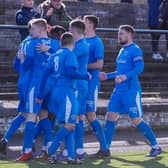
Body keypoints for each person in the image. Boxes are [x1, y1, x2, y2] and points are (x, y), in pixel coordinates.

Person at [100, 25, 162, 157]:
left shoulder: (135, 50)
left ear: (129, 34)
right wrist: (108, 76)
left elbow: (140, 67)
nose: (119, 36)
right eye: (118, 33)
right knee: (110, 116)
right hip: (118, 91)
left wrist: (125, 77)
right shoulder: (122, 50)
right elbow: (120, 72)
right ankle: (105, 149)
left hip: (130, 91)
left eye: (121, 33)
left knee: (136, 120)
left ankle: (156, 146)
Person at [36, 32, 91, 164]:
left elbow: (44, 76)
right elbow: (69, 72)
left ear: (60, 43)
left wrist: (40, 95)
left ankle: (71, 156)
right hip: (66, 92)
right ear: (72, 44)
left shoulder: (55, 55)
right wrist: (84, 76)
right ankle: (51, 151)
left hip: (55, 92)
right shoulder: (69, 54)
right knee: (71, 124)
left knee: (66, 125)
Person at [15, 18, 58, 161]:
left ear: (41, 29)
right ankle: (48, 148)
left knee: (31, 116)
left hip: (36, 85)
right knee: (44, 115)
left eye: (32, 29)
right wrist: (51, 50)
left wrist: (22, 60)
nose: (30, 32)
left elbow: (25, 66)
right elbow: (64, 55)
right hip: (50, 85)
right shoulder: (55, 44)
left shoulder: (32, 43)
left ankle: (27, 150)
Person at [0, 20, 33, 156]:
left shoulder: (24, 43)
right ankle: (29, 148)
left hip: (24, 82)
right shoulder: (34, 43)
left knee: (25, 114)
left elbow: (16, 66)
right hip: (32, 83)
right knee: (33, 114)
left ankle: (5, 140)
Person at [58, 20, 89, 161]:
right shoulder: (80, 45)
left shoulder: (80, 46)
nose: (69, 33)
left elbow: (65, 56)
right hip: (79, 85)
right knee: (76, 119)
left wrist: (52, 51)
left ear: (75, 31)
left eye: (70, 30)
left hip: (77, 85)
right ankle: (78, 149)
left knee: (71, 119)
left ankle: (68, 151)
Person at [84, 15, 110, 158]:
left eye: (85, 21)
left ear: (91, 24)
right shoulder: (81, 40)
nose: (83, 23)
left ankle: (104, 148)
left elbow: (99, 64)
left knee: (91, 115)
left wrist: (82, 66)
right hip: (81, 82)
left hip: (91, 82)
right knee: (83, 115)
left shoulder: (97, 41)